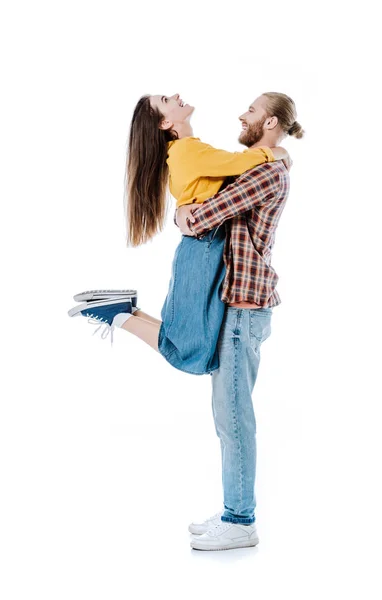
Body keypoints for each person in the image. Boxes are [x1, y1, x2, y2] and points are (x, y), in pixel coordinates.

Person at [69, 91, 304, 551]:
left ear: (272, 123)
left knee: (233, 418)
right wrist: (182, 213)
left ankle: (240, 520)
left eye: (252, 111)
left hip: (243, 308)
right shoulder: (257, 163)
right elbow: (202, 202)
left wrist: (183, 214)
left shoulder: (267, 170)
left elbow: (205, 215)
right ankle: (122, 313)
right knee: (206, 382)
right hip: (233, 302)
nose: (242, 114)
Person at [68, 93, 290, 376]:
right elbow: (237, 164)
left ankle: (123, 311)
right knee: (190, 351)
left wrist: (183, 212)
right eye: (165, 99)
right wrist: (278, 153)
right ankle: (118, 316)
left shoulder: (191, 150)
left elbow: (222, 177)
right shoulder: (186, 150)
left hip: (205, 245)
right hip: (204, 246)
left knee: (194, 345)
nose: (175, 96)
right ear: (165, 122)